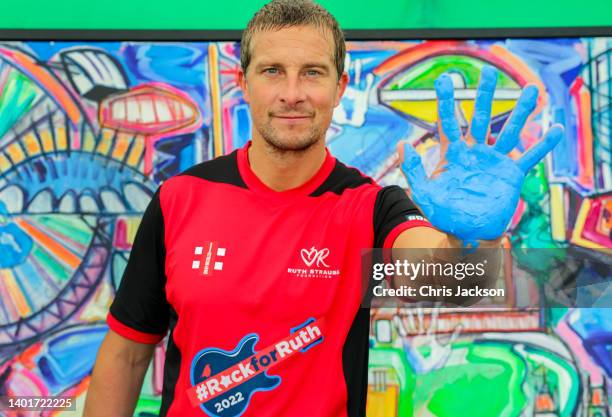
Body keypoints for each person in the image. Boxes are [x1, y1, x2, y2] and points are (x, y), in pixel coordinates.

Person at [83, 1, 563, 416]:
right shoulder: (180, 198)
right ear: (243, 83)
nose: (292, 93)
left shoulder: (369, 207)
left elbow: (443, 279)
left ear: (339, 87)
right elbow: (127, 354)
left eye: (312, 72)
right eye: (273, 71)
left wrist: (466, 239)